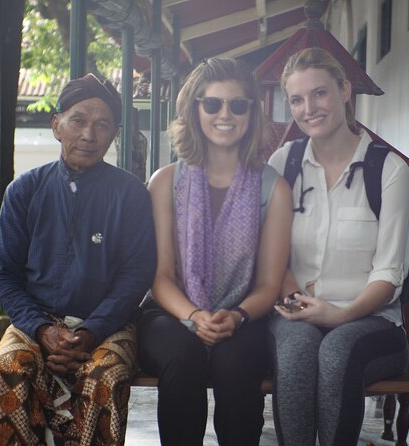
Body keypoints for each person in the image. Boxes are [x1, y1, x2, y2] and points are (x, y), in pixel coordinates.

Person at [0, 73, 157, 446]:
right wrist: (42, 330)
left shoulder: (130, 195)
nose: (88, 135)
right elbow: (1, 273)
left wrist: (90, 331)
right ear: (56, 124)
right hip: (35, 321)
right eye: (78, 120)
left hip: (107, 325)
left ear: (114, 134)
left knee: (104, 376)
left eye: (102, 125)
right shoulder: (25, 190)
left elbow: (137, 274)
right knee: (9, 367)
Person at [137, 57, 292, 446]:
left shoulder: (273, 188)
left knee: (234, 362)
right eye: (212, 104)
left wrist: (236, 315)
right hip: (171, 311)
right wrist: (194, 316)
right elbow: (161, 276)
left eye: (238, 105)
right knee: (183, 354)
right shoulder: (165, 182)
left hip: (243, 315)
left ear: (251, 113)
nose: (226, 114)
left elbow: (269, 283)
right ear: (194, 109)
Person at [267, 47, 409, 445]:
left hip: (372, 320)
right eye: (297, 99)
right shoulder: (284, 163)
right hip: (296, 309)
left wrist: (340, 315)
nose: (308, 108)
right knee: (297, 349)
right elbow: (270, 253)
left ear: (345, 90)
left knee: (336, 352)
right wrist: (297, 299)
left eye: (319, 93)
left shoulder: (388, 170)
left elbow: (390, 272)